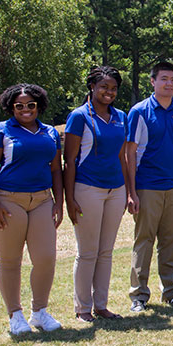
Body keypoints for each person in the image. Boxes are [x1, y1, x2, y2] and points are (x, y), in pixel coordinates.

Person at [0, 84, 63, 334]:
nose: (25, 109)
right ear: (11, 107)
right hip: (9, 200)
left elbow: (55, 170)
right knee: (10, 260)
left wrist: (58, 202)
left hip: (42, 200)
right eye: (18, 105)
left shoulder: (50, 133)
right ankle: (15, 316)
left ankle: (39, 312)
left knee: (45, 259)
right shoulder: (1, 130)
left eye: (30, 104)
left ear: (39, 105)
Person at [126, 61, 173, 312]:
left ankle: (171, 291)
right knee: (144, 240)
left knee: (171, 241)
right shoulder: (139, 111)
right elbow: (130, 153)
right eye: (164, 78)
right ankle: (139, 295)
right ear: (153, 81)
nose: (169, 83)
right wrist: (131, 192)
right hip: (148, 186)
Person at [64, 66, 129, 322]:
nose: (108, 92)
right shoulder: (79, 117)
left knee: (106, 251)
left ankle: (101, 305)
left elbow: (123, 157)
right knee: (87, 251)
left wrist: (128, 192)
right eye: (103, 87)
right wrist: (69, 199)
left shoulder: (121, 116)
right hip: (87, 188)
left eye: (113, 88)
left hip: (116, 190)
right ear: (92, 87)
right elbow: (69, 161)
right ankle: (83, 309)